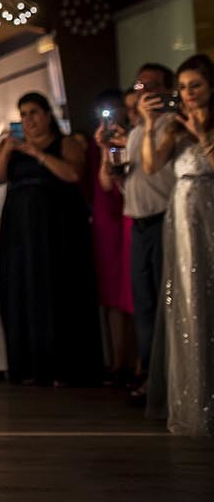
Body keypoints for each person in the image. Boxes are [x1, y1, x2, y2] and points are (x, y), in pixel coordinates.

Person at [0, 91, 102, 386]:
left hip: (56, 225)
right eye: (23, 114)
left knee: (56, 289)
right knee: (22, 287)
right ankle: (28, 365)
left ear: (48, 115)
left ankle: (62, 366)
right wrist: (6, 150)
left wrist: (38, 155)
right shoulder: (10, 147)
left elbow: (73, 175)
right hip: (19, 229)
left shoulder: (65, 143)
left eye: (34, 113)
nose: (29, 120)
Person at [139, 53, 214, 436]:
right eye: (182, 88)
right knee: (189, 301)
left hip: (210, 207)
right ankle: (193, 397)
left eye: (195, 86)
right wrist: (152, 124)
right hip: (182, 214)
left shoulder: (206, 124)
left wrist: (203, 134)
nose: (187, 94)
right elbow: (151, 166)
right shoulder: (176, 126)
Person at [103, 63, 179, 404]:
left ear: (166, 90)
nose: (144, 91)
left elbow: (156, 168)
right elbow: (119, 181)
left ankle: (171, 379)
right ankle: (149, 375)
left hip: (166, 220)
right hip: (139, 224)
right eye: (139, 85)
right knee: (144, 306)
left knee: (169, 303)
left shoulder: (173, 126)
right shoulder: (134, 134)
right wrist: (111, 151)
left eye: (152, 85)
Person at [91, 88, 136, 385]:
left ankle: (137, 363)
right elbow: (106, 182)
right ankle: (118, 361)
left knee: (131, 286)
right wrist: (105, 149)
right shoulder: (105, 142)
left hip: (131, 209)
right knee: (111, 289)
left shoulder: (135, 137)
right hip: (107, 212)